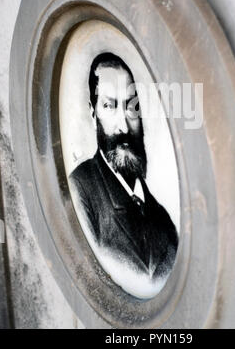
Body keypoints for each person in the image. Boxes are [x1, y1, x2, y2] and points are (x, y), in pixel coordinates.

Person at [69, 52, 178, 294]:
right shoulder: (79, 190)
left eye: (132, 106)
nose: (124, 125)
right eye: (109, 105)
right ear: (93, 112)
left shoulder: (164, 222)